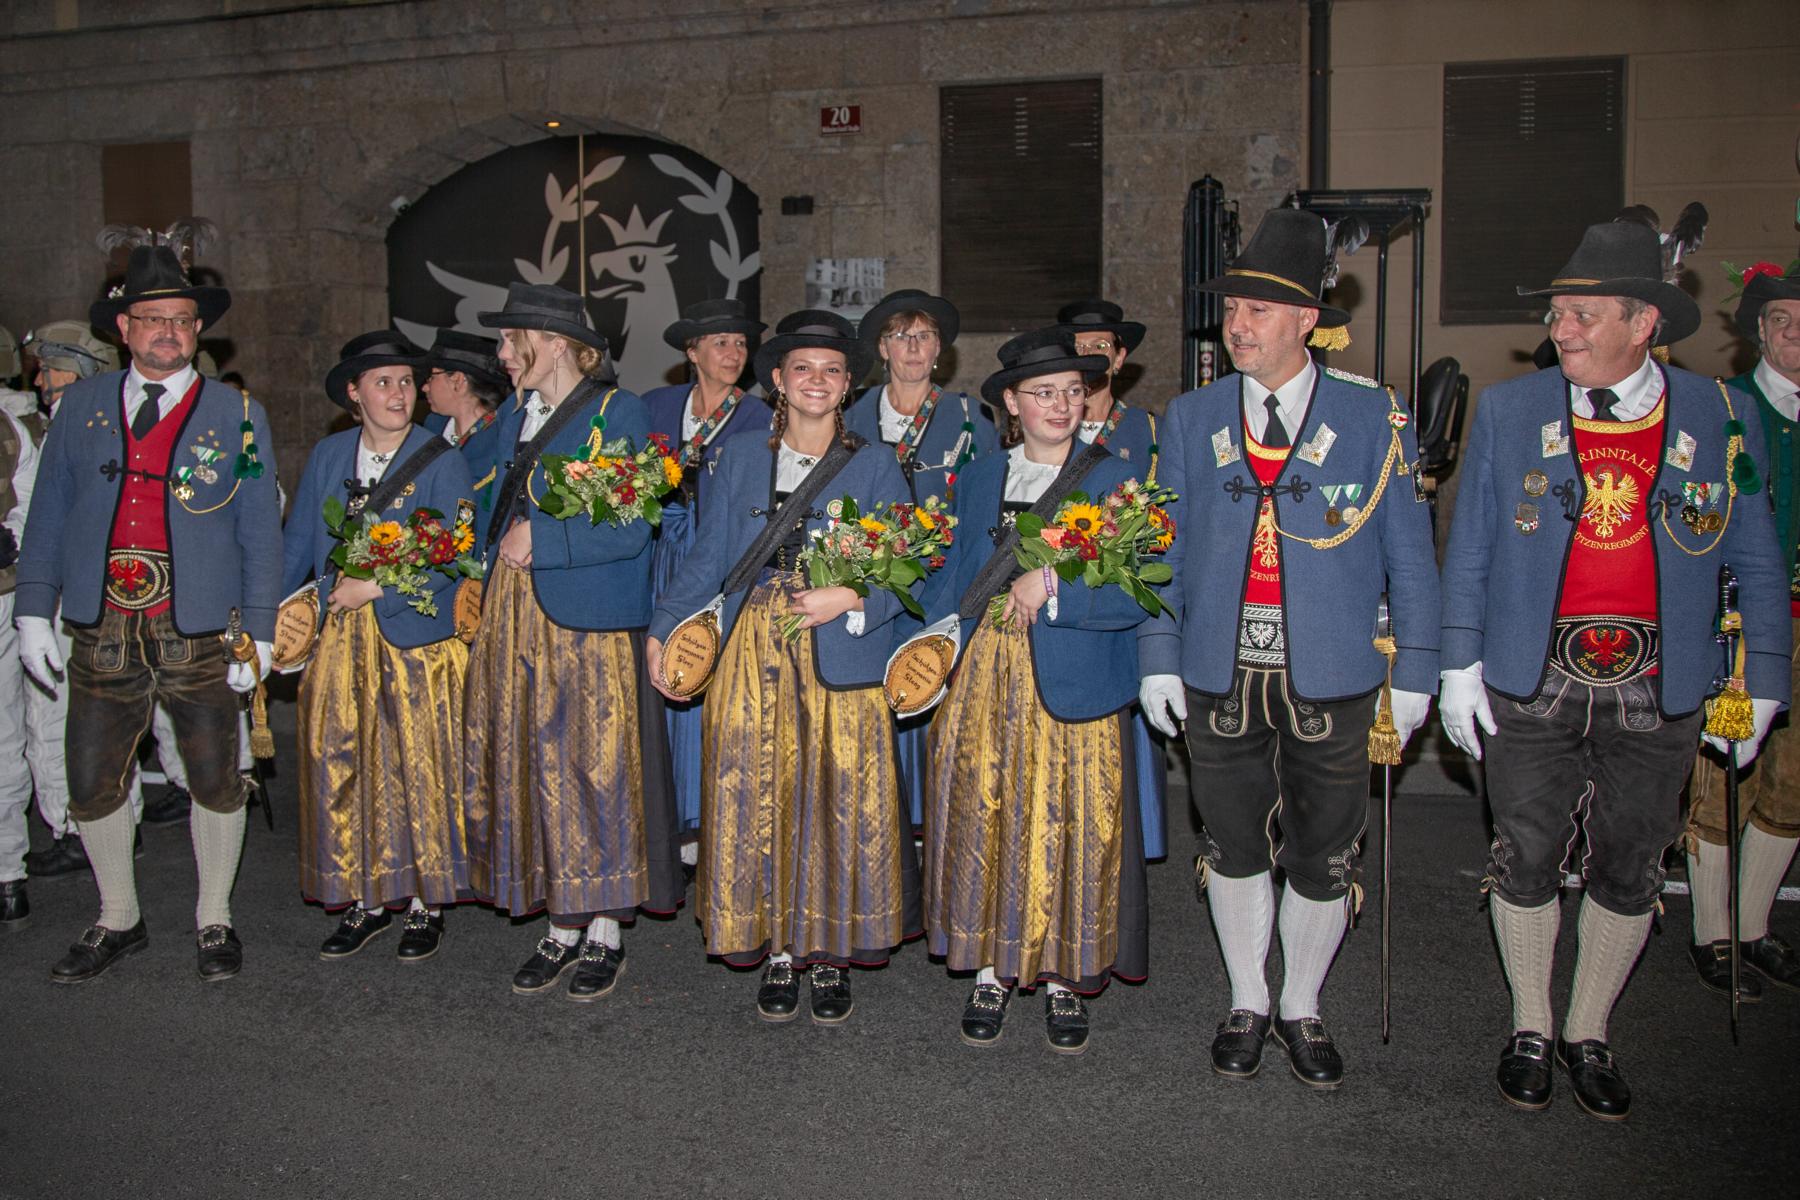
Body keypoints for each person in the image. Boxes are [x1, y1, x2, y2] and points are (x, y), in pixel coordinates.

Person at [1439, 221, 1790, 1120]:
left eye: (1584, 315)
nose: (1563, 330)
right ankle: (1529, 1022)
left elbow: (1754, 555)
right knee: (1522, 855)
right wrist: (1458, 666)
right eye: (1558, 314)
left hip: (1663, 679)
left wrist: (1766, 683)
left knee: (1632, 865)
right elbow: (1471, 545)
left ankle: (1588, 1029)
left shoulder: (1718, 414)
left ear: (1643, 322)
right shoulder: (1515, 411)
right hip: (1532, 674)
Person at [1138, 208, 1441, 1090]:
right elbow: (1162, 546)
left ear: (1308, 319)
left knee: (1324, 851)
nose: (1238, 324)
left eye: (1260, 310)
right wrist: (1161, 654)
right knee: (1230, 844)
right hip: (1219, 672)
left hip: (1337, 674)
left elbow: (1411, 561)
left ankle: (1302, 1001)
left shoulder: (1374, 415)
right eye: (1232, 306)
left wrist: (1414, 673)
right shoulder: (1190, 419)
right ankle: (1247, 997)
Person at [15, 236, 282, 983]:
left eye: (183, 320)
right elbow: (49, 513)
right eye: (153, 319)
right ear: (123, 329)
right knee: (92, 775)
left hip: (198, 622)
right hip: (101, 620)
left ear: (199, 331)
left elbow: (261, 529)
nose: (170, 331)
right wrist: (33, 608)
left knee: (214, 774)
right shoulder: (82, 408)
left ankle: (214, 919)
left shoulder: (238, 412)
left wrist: (261, 631)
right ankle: (118, 917)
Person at [647, 309, 918, 1025]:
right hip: (753, 646)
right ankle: (776, 946)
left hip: (838, 650)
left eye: (832, 370)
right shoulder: (737, 459)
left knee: (835, 796)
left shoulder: (878, 463)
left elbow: (909, 568)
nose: (818, 381)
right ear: (778, 380)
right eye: (803, 369)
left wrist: (850, 594)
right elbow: (708, 558)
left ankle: (826, 951)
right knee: (756, 789)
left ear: (848, 383)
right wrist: (664, 627)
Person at [919, 328, 1153, 1054]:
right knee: (985, 813)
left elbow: (1139, 592)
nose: (1061, 405)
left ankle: (1063, 975)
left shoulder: (1116, 480)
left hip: (1073, 676)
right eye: (1044, 393)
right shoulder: (983, 477)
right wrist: (914, 639)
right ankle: (992, 965)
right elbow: (956, 575)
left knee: (1070, 822)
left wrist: (1053, 584)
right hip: (985, 674)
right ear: (1013, 404)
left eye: (1073, 392)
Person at [462, 283, 681, 999]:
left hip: (586, 620)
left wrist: (545, 537)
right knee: (534, 761)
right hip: (514, 616)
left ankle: (604, 929)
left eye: (509, 340)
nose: (500, 355)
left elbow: (632, 526)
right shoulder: (512, 419)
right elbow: (478, 502)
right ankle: (560, 920)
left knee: (596, 767)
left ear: (554, 342)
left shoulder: (618, 413)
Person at [282, 332, 475, 962]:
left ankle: (426, 903)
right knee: (343, 759)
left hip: (414, 640)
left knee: (420, 767)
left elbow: (457, 555)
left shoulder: (441, 459)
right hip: (339, 638)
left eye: (404, 383)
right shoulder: (329, 455)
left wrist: (381, 590)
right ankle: (364, 899)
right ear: (352, 393)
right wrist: (272, 630)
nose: (397, 394)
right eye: (382, 383)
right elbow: (297, 549)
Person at [1683, 263, 1800, 998]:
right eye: (1782, 320)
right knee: (1724, 782)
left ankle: (1754, 928)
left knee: (1790, 786)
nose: (1795, 335)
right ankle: (1712, 934)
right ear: (1758, 331)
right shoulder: (1726, 409)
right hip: (1743, 624)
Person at [846, 289, 996, 830]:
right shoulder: (851, 418)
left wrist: (959, 595)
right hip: (868, 591)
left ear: (940, 350)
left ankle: (940, 833)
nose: (913, 346)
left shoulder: (971, 418)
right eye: (900, 336)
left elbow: (982, 515)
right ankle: (877, 829)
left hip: (943, 587)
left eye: (924, 336)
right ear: (882, 348)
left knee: (939, 720)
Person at [642, 298, 768, 848]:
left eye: (741, 343)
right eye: (720, 343)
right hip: (658, 555)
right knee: (657, 668)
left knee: (705, 666)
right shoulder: (654, 405)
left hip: (719, 557)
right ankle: (665, 804)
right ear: (691, 352)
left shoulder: (761, 417)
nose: (733, 353)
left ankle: (704, 814)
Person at [15, 322, 130, 880]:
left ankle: (79, 828)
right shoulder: (70, 426)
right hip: (74, 596)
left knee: (63, 719)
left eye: (52, 369)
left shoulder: (80, 429)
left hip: (79, 598)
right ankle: (91, 824)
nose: (40, 381)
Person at [1058, 298, 1170, 863]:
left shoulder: (1151, 431)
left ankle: (1130, 838)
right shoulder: (1049, 427)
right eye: (1079, 351)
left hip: (1127, 602)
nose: (1091, 359)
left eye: (1101, 348)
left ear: (1120, 357)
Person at [0, 332, 41, 930]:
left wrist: (12, 534)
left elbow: (33, 504)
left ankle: (6, 870)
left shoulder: (14, 428)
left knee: (4, 734)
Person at [419, 328, 508, 546]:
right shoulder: (430, 430)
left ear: (458, 380)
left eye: (431, 376)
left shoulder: (501, 438)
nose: (424, 387)